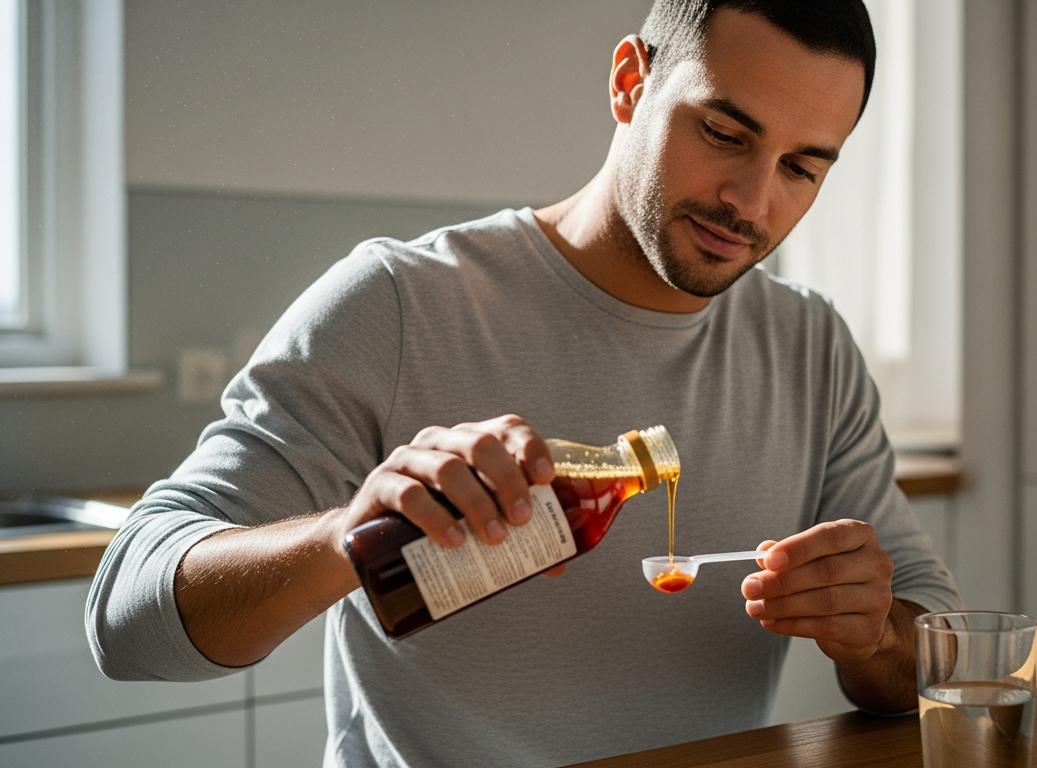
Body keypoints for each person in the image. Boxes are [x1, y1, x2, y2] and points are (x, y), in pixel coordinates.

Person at [86, 1, 962, 765]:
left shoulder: (809, 344)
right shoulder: (399, 304)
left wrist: (873, 631)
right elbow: (126, 620)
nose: (752, 200)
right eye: (724, 133)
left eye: (803, 168)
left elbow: (931, 660)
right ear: (630, 83)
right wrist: (350, 537)